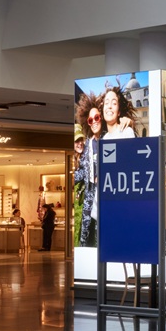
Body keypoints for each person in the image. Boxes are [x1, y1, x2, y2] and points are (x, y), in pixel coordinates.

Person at [74, 94, 103, 247]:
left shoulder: (110, 139)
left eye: (96, 117)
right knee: (86, 238)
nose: (94, 122)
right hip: (90, 199)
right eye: (90, 120)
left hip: (105, 195)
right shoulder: (88, 146)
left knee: (102, 237)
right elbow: (82, 172)